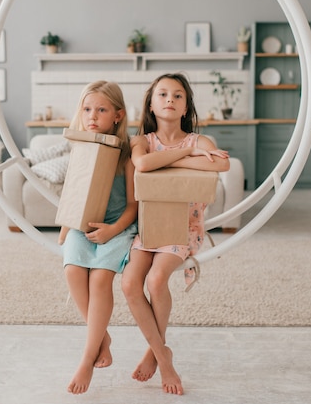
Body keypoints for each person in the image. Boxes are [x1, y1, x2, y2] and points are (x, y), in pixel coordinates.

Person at [121, 73, 230, 395]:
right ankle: (162, 351)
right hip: (150, 225)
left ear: (185, 107)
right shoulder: (141, 141)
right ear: (152, 105)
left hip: (185, 227)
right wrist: (185, 156)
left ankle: (159, 358)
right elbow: (142, 164)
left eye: (178, 95)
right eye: (163, 94)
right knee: (129, 284)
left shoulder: (200, 141)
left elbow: (221, 165)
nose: (170, 99)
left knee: (156, 281)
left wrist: (180, 156)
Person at [58, 80, 138, 395]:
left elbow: (132, 207)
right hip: (82, 223)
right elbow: (73, 194)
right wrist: (67, 225)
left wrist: (113, 230)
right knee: (73, 271)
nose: (93, 115)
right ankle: (102, 338)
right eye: (88, 109)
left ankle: (87, 357)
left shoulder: (127, 153)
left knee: (100, 280)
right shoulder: (81, 147)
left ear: (117, 115)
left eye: (101, 110)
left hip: (117, 225)